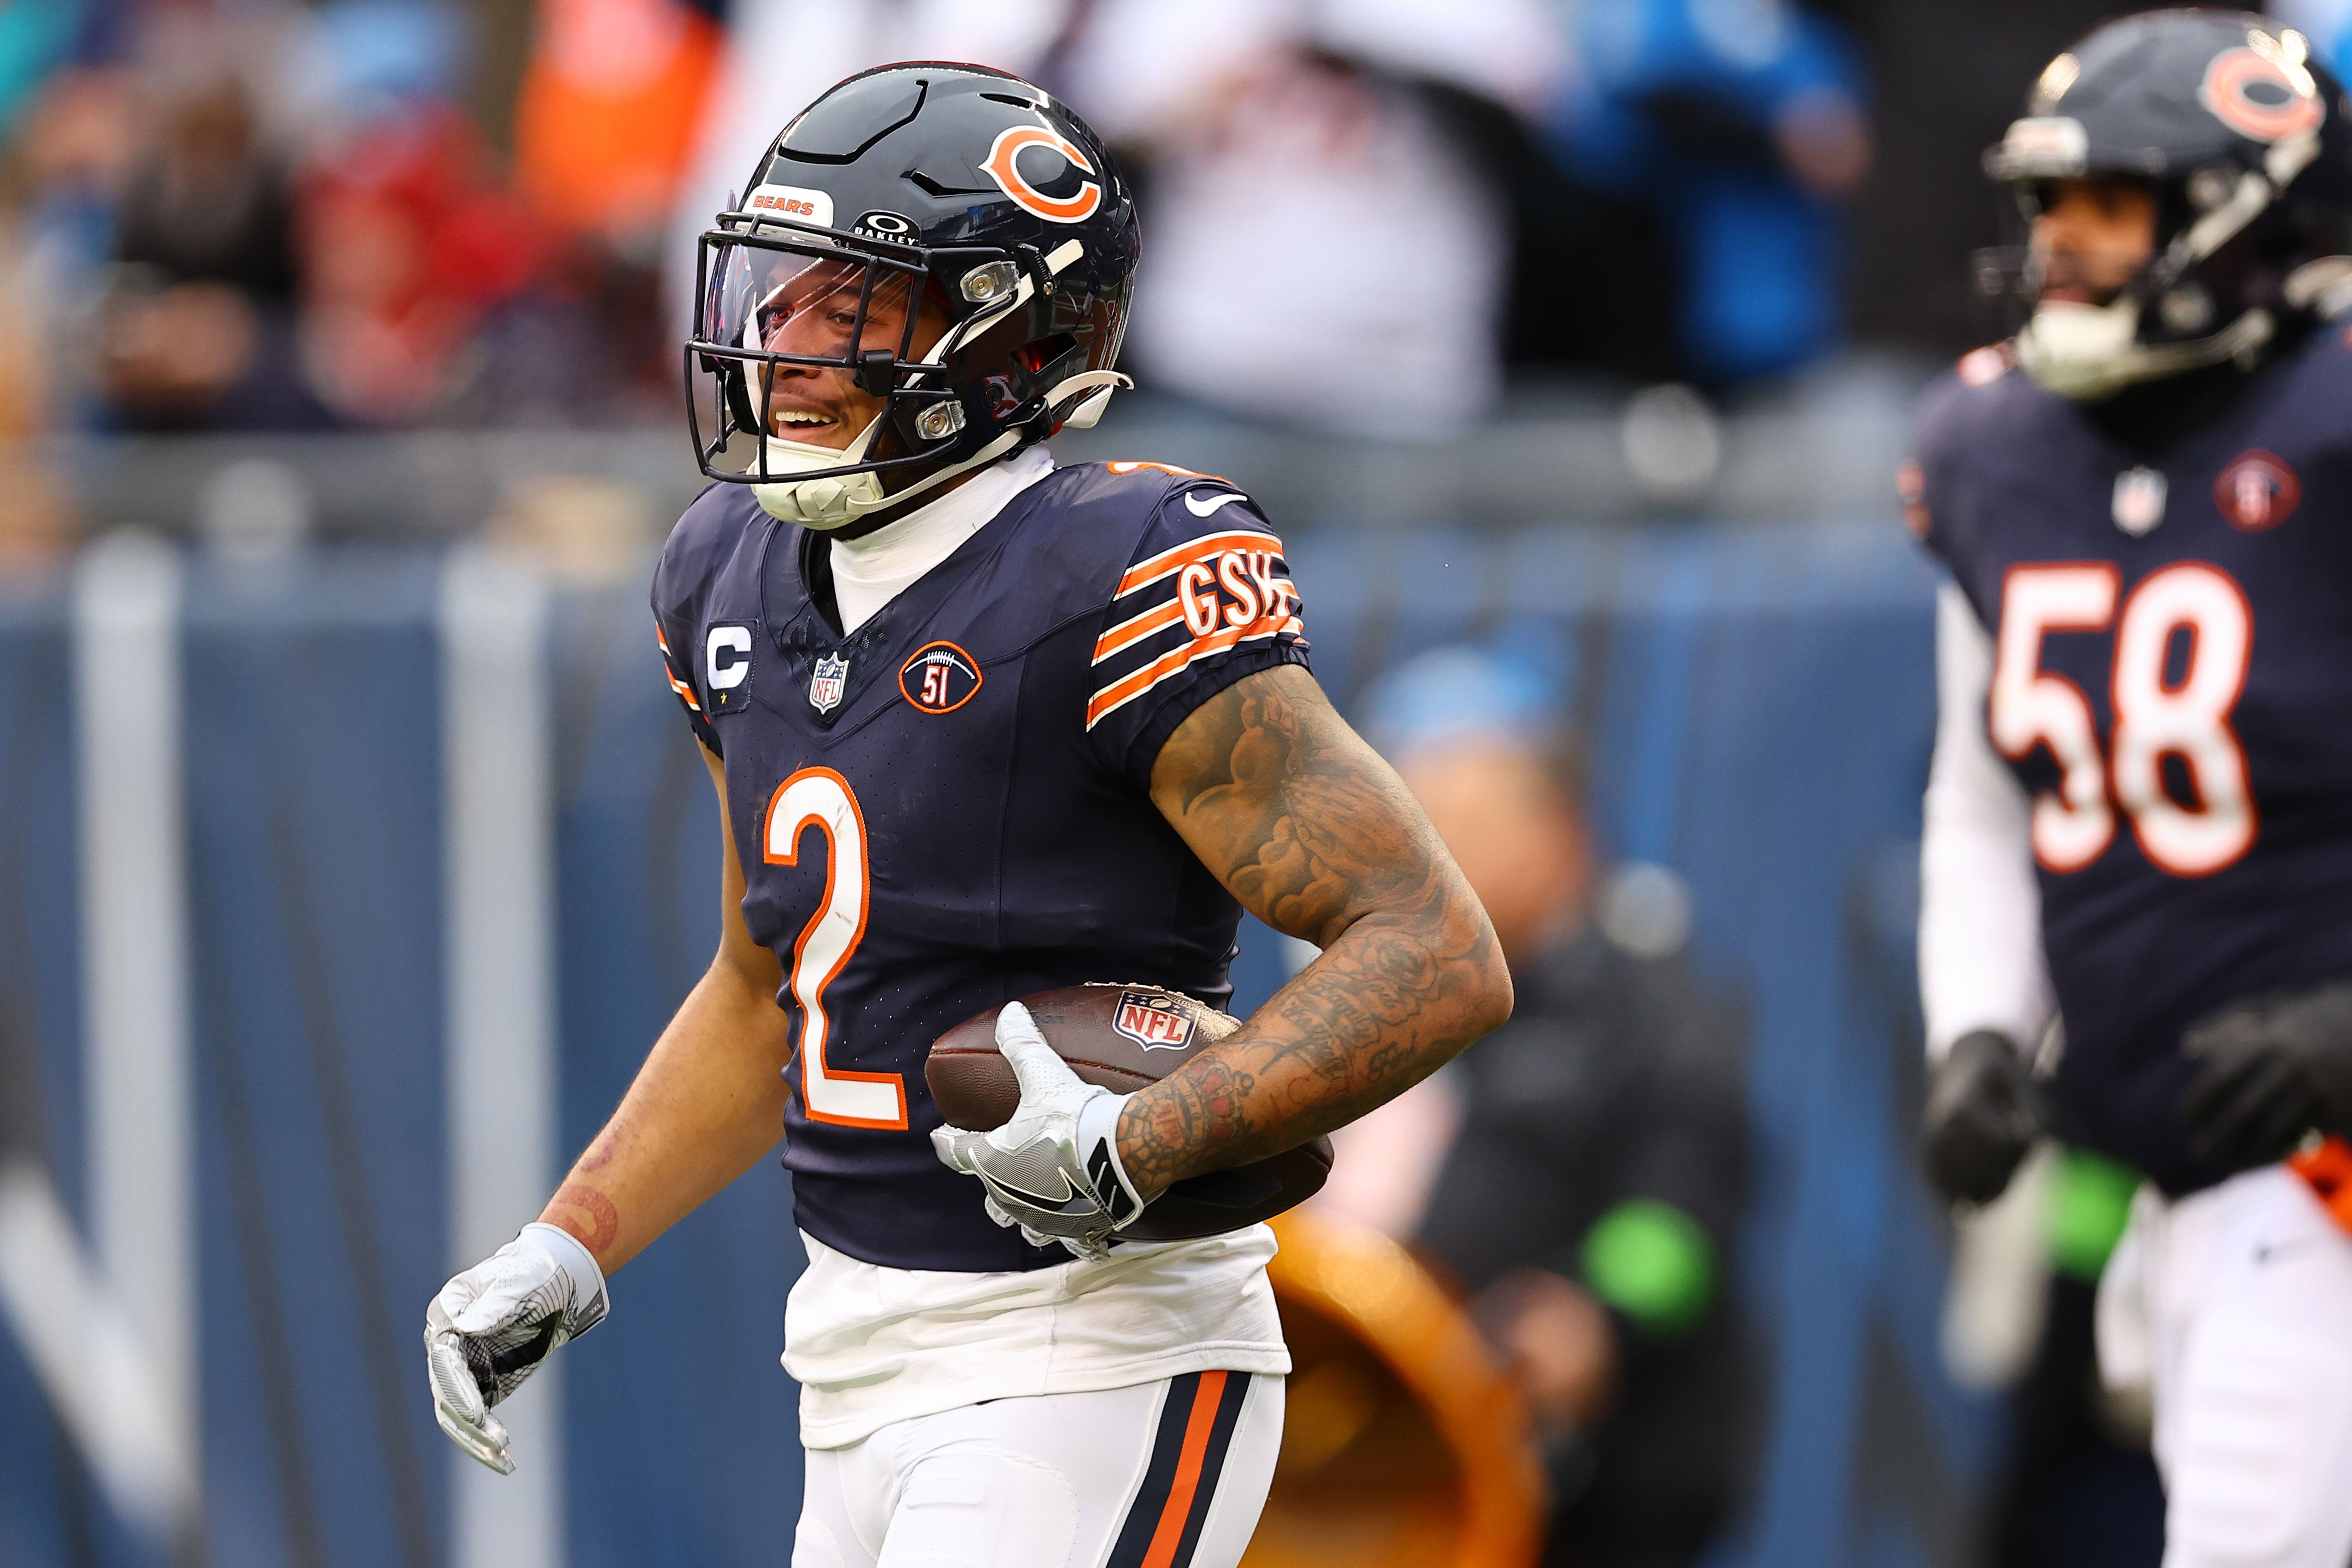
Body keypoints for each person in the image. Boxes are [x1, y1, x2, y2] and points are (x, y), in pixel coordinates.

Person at [419, 64, 1511, 1568]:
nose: (785, 339)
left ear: (1009, 336)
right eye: (781, 288)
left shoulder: (1115, 567)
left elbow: (1435, 945)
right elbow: (770, 980)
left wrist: (1148, 1133)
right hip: (846, 1357)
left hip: (1092, 1345)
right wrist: (571, 1240)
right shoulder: (725, 573)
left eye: (854, 301)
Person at [1908, 13, 2352, 1567]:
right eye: (2050, 202)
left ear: (2252, 219)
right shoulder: (1993, 445)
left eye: (2110, 200)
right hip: (2175, 1171)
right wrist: (1976, 1025)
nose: (2063, 242)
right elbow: (1985, 794)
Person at [1350, 648, 1754, 1568]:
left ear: (1562, 830)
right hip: (1396, 1472)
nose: (1425, 858)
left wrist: (1596, 1312)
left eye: (1461, 823)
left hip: (1599, 1495)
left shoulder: (1656, 1014)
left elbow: (1679, 1223)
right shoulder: (1379, 1006)